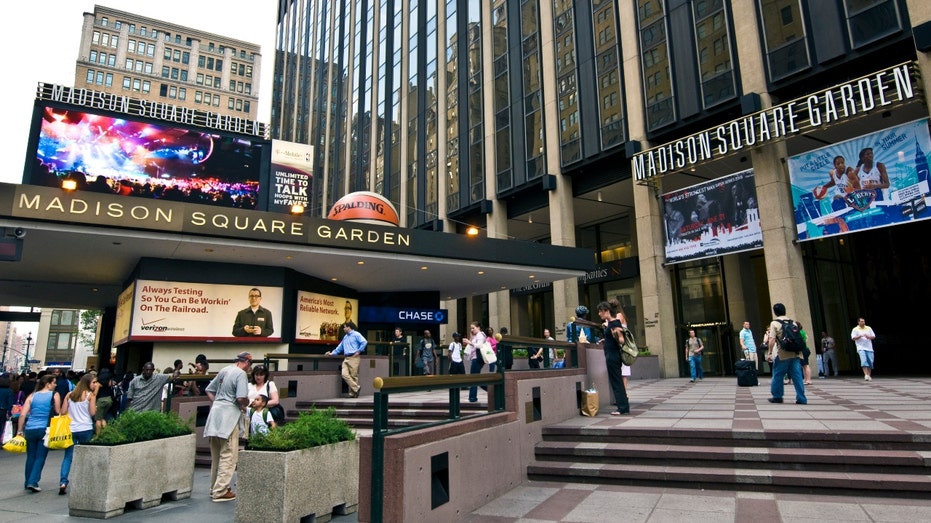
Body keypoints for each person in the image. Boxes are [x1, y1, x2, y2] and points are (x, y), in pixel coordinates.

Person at [203, 351, 253, 502]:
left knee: (216, 455)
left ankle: (214, 487)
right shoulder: (241, 374)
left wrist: (219, 402)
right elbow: (240, 398)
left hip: (215, 413)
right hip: (229, 416)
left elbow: (209, 390)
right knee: (229, 454)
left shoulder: (224, 370)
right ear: (247, 362)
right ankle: (221, 490)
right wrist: (246, 405)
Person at [17, 374, 61, 492]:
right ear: (48, 384)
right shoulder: (54, 395)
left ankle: (27, 481)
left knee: (30, 456)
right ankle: (33, 481)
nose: (55, 385)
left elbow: (22, 414)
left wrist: (20, 430)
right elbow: (58, 412)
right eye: (54, 382)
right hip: (45, 429)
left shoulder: (32, 396)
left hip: (30, 428)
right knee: (40, 456)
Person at [59, 372, 98, 495]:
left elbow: (63, 411)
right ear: (88, 383)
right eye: (94, 382)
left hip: (71, 428)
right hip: (85, 428)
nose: (95, 384)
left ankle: (63, 481)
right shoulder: (90, 396)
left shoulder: (69, 395)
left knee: (68, 457)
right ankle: (82, 481)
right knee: (84, 455)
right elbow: (92, 413)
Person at [765, 303, 807, 405]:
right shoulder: (793, 323)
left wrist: (770, 352)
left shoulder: (774, 323)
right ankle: (801, 398)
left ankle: (777, 396)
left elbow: (771, 339)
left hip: (783, 354)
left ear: (775, 312)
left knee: (778, 375)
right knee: (797, 376)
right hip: (796, 353)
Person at [596, 301, 630, 416]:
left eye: (601, 311)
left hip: (613, 356)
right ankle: (623, 407)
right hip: (611, 354)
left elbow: (621, 340)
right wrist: (605, 340)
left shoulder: (614, 323)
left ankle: (622, 408)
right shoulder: (611, 323)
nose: (599, 314)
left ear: (606, 311)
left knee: (617, 382)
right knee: (616, 381)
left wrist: (615, 333)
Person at [326, 321, 367, 398]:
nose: (343, 329)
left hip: (354, 357)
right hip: (346, 358)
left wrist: (359, 351)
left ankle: (352, 394)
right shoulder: (345, 337)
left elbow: (364, 342)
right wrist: (332, 353)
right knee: (344, 374)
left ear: (349, 327)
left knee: (353, 376)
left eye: (345, 327)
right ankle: (356, 388)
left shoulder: (356, 334)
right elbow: (340, 347)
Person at [463, 321, 488, 403]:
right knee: (476, 378)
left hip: (477, 358)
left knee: (473, 378)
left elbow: (479, 345)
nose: (472, 329)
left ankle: (472, 397)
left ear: (478, 327)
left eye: (473, 328)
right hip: (476, 358)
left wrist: (469, 342)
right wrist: (471, 337)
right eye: (471, 328)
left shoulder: (480, 335)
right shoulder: (477, 335)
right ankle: (489, 389)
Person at [94, 369, 115, 434]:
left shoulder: (98, 383)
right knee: (102, 417)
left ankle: (98, 435)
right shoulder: (110, 381)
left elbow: (95, 394)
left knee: (98, 419)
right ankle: (106, 433)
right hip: (109, 399)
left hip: (101, 400)